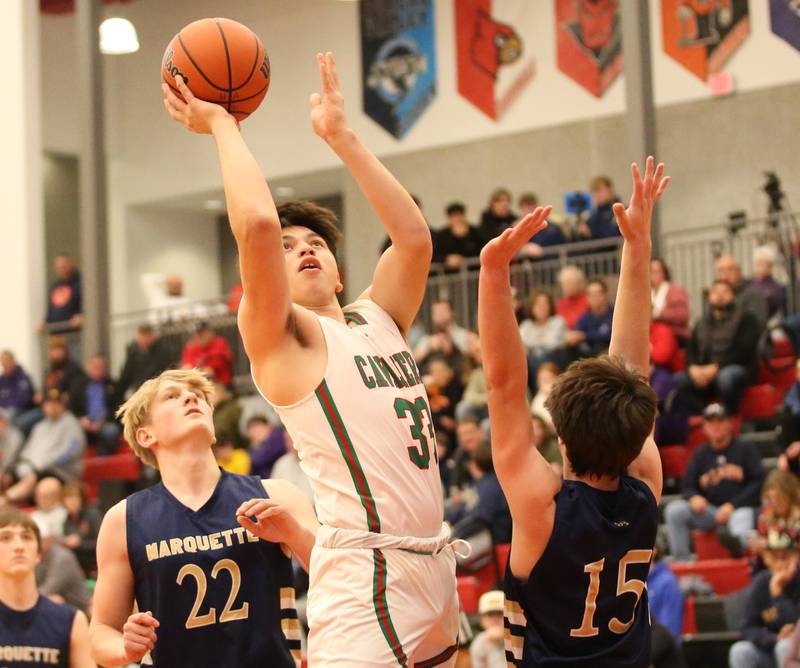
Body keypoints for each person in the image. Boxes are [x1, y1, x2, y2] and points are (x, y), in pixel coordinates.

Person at [163, 52, 461, 665]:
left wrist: (342, 137)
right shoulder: (282, 338)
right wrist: (224, 126)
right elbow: (259, 231)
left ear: (339, 269)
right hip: (365, 574)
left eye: (317, 243)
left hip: (433, 562)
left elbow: (414, 238)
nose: (304, 250)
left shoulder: (379, 318)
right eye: (292, 246)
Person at [479, 157, 668, 666]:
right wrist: (638, 244)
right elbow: (632, 365)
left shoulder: (543, 509)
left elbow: (501, 386)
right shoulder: (645, 485)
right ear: (638, 435)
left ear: (559, 436)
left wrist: (495, 271)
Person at [90, 369, 317, 667]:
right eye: (172, 396)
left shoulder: (277, 494)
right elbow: (101, 632)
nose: (190, 397)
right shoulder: (123, 519)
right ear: (146, 435)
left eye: (197, 395)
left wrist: (295, 534)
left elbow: (343, 574)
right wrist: (124, 647)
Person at [664, 403, 764, 561]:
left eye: (720, 421)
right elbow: (687, 486)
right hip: (710, 512)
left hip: (738, 510)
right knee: (675, 510)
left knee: (741, 522)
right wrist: (694, 497)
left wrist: (733, 505)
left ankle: (743, 561)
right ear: (704, 427)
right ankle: (683, 564)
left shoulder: (745, 448)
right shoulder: (700, 453)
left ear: (729, 423)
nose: (715, 426)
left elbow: (757, 483)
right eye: (710, 422)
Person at [0, 507, 94, 668]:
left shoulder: (72, 620)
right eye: (6, 538)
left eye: (26, 537)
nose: (19, 546)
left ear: (38, 554)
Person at [677, 279, 761, 414]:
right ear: (709, 296)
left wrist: (716, 368)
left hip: (737, 369)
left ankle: (729, 417)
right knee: (677, 381)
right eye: (715, 292)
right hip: (705, 372)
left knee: (726, 378)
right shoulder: (701, 322)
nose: (720, 296)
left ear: (734, 295)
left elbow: (743, 351)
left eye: (725, 292)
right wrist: (693, 368)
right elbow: (691, 350)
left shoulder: (746, 318)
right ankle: (703, 416)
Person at [1, 389, 86, 505]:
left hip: (60, 473)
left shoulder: (71, 423)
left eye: (56, 403)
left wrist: (42, 466)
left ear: (63, 405)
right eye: (49, 403)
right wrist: (21, 468)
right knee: (6, 477)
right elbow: (26, 453)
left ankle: (4, 500)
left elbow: (70, 452)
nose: (52, 406)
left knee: (36, 482)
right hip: (33, 470)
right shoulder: (39, 427)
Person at [729, 532, 800, 668]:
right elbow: (747, 628)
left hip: (796, 652)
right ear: (766, 559)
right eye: (774, 558)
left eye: (785, 557)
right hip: (770, 646)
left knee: (785, 647)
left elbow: (796, 622)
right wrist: (773, 638)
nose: (780, 564)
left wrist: (778, 595)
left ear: (796, 557)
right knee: (740, 651)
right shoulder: (761, 583)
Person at [446, 445, 512, 545]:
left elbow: (480, 519)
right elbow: (464, 509)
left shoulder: (492, 486)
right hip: (472, 532)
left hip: (491, 539)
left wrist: (455, 534)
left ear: (474, 464)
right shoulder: (477, 483)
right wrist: (446, 523)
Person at [34, 520, 91, 613]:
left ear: (49, 540)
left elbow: (49, 589)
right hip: (61, 604)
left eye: (41, 540)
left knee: (53, 600)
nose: (37, 544)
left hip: (78, 609)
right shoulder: (38, 556)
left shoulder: (62, 558)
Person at [72, 355, 121, 456]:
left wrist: (102, 422)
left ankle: (102, 461)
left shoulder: (113, 385)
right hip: (83, 424)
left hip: (105, 423)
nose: (98, 370)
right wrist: (81, 419)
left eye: (101, 367)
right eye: (95, 366)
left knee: (111, 432)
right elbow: (71, 407)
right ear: (88, 367)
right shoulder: (78, 385)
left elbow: (118, 409)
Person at [519, 291, 567, 389]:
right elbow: (521, 345)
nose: (541, 307)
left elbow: (553, 344)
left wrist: (533, 344)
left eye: (545, 303)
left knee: (540, 357)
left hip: (554, 358)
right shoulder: (526, 325)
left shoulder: (558, 321)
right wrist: (541, 342)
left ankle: (540, 391)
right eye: (537, 304)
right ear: (532, 307)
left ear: (550, 306)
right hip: (530, 359)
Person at [116, 324, 176, 401]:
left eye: (147, 336)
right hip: (137, 391)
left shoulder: (163, 352)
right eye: (142, 336)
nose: (144, 340)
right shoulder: (133, 353)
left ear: (153, 336)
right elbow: (126, 376)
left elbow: (168, 372)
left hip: (156, 390)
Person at [751, 470, 800, 558]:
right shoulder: (765, 516)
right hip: (773, 566)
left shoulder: (797, 514)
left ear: (790, 496)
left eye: (778, 498)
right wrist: (758, 547)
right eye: (769, 498)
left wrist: (769, 543)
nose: (774, 503)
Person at [715, 254, 769, 329]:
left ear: (739, 271)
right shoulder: (716, 296)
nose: (725, 275)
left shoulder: (753, 293)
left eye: (730, 269)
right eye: (721, 271)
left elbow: (758, 324)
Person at [61, 481, 102, 574]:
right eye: (68, 497)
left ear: (82, 499)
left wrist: (80, 544)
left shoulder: (92, 514)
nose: (72, 501)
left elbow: (102, 544)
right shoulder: (67, 520)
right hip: (77, 563)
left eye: (76, 497)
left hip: (94, 562)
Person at [181, 322, 234, 388]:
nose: (198, 336)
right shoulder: (191, 348)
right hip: (198, 386)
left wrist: (194, 372)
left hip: (220, 385)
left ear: (210, 332)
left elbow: (211, 371)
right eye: (196, 334)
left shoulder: (219, 343)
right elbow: (185, 369)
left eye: (201, 333)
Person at [433, 202, 483, 269]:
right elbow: (435, 255)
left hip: (473, 271)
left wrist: (464, 237)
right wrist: (446, 259)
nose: (457, 219)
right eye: (453, 216)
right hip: (451, 275)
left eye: (459, 215)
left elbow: (483, 249)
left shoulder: (475, 232)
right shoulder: (442, 235)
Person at [41, 254, 83, 333]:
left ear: (71, 264)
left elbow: (88, 305)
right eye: (58, 268)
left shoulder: (81, 284)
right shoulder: (55, 286)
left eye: (64, 267)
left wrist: (82, 316)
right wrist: (45, 323)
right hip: (56, 334)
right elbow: (51, 309)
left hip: (75, 333)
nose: (61, 270)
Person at [650, 259, 690, 343]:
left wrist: (658, 313)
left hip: (674, 336)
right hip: (653, 337)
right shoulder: (647, 293)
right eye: (651, 271)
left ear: (664, 272)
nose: (654, 274)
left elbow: (683, 315)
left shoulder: (675, 290)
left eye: (657, 271)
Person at [470, 590, 506, 668]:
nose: (495, 619)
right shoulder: (478, 643)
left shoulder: (519, 638)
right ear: (481, 619)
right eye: (490, 614)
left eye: (499, 613)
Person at [579, 175, 622, 240]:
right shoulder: (593, 215)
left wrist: (592, 233)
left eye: (599, 190)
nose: (596, 194)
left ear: (609, 189)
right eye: (594, 191)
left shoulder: (620, 211)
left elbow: (615, 236)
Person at [751, 245, 787, 319]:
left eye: (767, 264)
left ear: (771, 266)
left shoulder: (777, 287)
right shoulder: (749, 284)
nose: (763, 267)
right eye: (759, 263)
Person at [246, 415, 287, 479]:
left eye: (257, 427)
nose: (255, 432)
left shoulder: (277, 436)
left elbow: (257, 460)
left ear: (268, 425)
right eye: (252, 429)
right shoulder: (255, 447)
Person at [0, 350, 35, 417]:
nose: (6, 364)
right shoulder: (1, 380)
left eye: (8, 361)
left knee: (10, 413)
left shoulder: (23, 377)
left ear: (13, 361)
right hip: (3, 409)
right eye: (3, 362)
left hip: (21, 410)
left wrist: (8, 404)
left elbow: (25, 398)